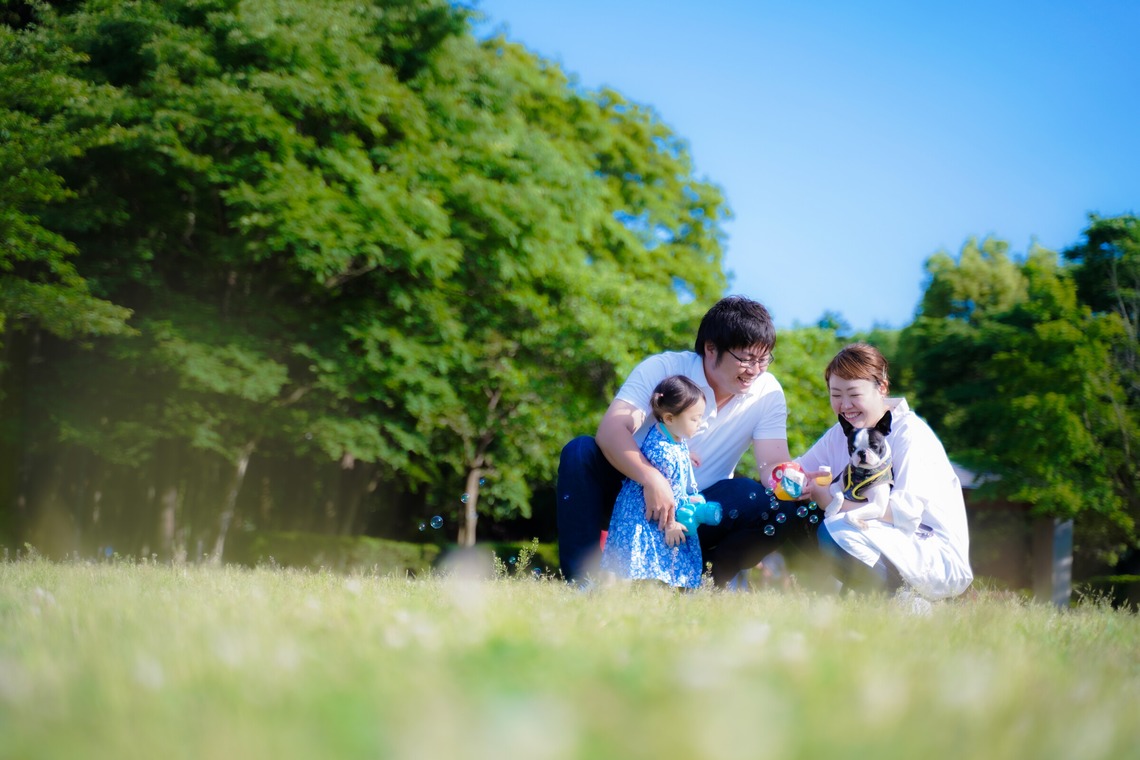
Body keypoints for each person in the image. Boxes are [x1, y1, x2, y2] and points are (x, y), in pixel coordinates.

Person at [557, 295, 819, 586]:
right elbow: (611, 431)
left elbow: (772, 465)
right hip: (630, 500)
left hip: (696, 509)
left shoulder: (767, 392)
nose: (755, 370)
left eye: (763, 359)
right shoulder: (664, 369)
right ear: (710, 348)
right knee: (579, 451)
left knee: (762, 499)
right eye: (746, 358)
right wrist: (651, 479)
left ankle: (710, 583)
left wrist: (792, 478)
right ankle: (582, 581)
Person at [798, 342, 973, 601]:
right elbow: (800, 469)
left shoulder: (910, 433)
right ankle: (824, 599)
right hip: (881, 538)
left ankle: (912, 601)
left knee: (835, 529)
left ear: (882, 387)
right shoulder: (843, 433)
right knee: (793, 514)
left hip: (930, 551)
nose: (845, 405)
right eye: (836, 395)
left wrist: (829, 500)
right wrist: (792, 478)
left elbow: (905, 515)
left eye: (854, 394)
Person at [600, 375, 709, 588]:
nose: (700, 423)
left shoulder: (668, 435)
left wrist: (685, 456)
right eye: (694, 419)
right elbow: (666, 494)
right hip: (651, 516)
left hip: (640, 513)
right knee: (651, 561)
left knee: (641, 562)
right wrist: (671, 525)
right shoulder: (664, 454)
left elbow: (668, 450)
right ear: (669, 418)